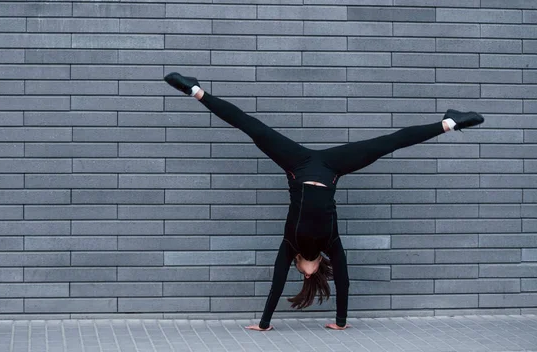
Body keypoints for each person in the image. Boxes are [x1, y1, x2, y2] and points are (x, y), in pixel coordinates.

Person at [164, 72, 485, 331]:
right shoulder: (331, 244)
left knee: (253, 128)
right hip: (330, 167)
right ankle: (450, 123)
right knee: (386, 144)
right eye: (308, 275)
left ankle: (194, 90)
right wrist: (342, 322)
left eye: (301, 273)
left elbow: (276, 284)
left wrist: (263, 324)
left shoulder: (290, 245)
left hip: (299, 165)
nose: (304, 273)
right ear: (317, 268)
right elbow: (343, 282)